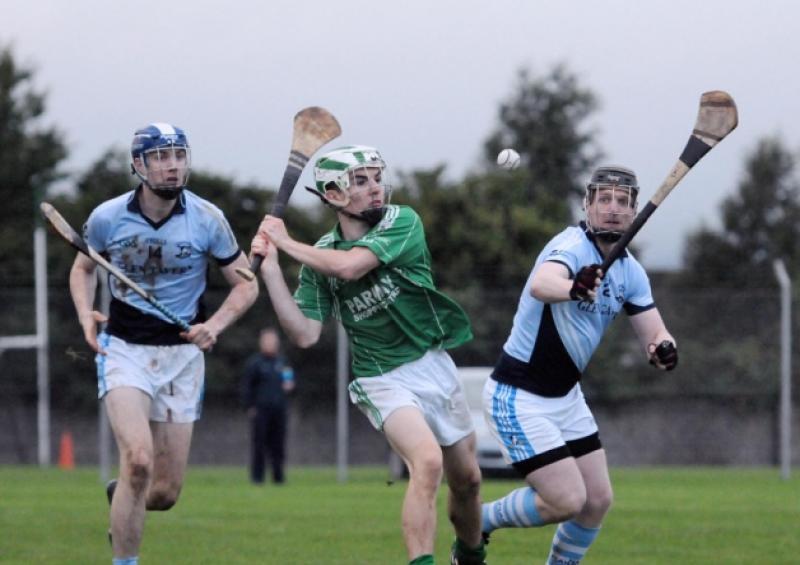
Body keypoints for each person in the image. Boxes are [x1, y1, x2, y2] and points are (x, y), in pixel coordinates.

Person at [250, 145, 487, 565]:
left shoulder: (402, 222)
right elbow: (304, 333)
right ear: (334, 194)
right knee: (427, 462)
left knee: (467, 481)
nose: (375, 188)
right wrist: (270, 272)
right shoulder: (321, 254)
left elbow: (349, 267)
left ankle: (469, 556)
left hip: (432, 363)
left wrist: (284, 242)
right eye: (360, 181)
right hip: (381, 378)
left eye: (377, 177)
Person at [69, 122, 258, 565]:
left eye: (178, 156)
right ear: (139, 164)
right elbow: (83, 268)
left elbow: (246, 284)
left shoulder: (208, 219)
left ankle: (122, 497)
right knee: (137, 460)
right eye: (160, 157)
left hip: (182, 357)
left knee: (164, 493)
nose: (172, 166)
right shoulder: (108, 217)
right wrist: (84, 313)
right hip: (124, 350)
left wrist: (215, 325)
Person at [480, 165, 678, 564]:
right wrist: (574, 287)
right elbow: (542, 283)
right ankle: (478, 520)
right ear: (587, 205)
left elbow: (654, 331)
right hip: (519, 396)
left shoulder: (631, 272)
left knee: (597, 500)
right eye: (604, 199)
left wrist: (663, 348)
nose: (613, 208)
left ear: (634, 211)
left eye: (622, 201)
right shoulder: (570, 247)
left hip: (567, 399)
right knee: (567, 499)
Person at [241, 326, 295, 484]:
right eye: (267, 340)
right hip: (260, 411)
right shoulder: (255, 364)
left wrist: (291, 386)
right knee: (259, 444)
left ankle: (278, 477)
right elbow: (246, 387)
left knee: (278, 444)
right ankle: (257, 478)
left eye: (272, 340)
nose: (270, 343)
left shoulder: (283, 362)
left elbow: (291, 383)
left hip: (279, 410)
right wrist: (249, 407)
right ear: (261, 342)